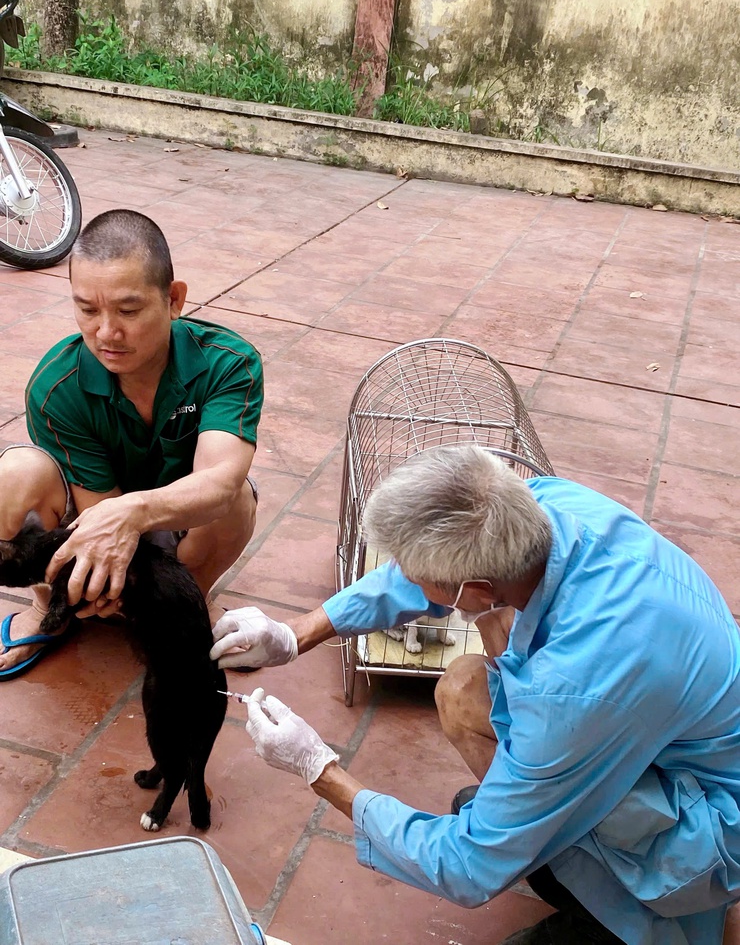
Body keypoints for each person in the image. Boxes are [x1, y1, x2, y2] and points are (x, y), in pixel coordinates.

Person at [211, 444, 740, 945]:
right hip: (660, 734)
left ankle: (650, 916)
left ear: (477, 593)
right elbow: (416, 577)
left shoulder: (571, 690)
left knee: (500, 839)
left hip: (713, 825)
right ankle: (534, 820)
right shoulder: (543, 506)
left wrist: (318, 769)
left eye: (428, 581)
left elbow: (467, 867)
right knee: (465, 688)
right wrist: (296, 634)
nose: (412, 582)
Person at [0, 208, 263, 678]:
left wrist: (132, 514)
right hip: (92, 515)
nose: (106, 332)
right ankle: (50, 608)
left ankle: (184, 603)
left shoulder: (228, 362)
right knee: (13, 475)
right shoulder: (57, 385)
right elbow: (99, 513)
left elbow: (220, 483)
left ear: (174, 299)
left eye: (128, 310)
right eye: (87, 309)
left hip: (178, 522)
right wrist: (102, 574)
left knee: (237, 499)